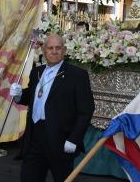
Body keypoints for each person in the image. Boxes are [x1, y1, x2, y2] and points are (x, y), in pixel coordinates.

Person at [10, 34, 94, 182]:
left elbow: (86, 111)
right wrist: (18, 95)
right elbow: (33, 97)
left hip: (61, 140)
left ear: (64, 50)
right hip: (35, 137)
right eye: (50, 48)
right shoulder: (37, 72)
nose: (54, 51)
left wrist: (74, 139)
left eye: (58, 48)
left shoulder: (77, 75)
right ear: (44, 50)